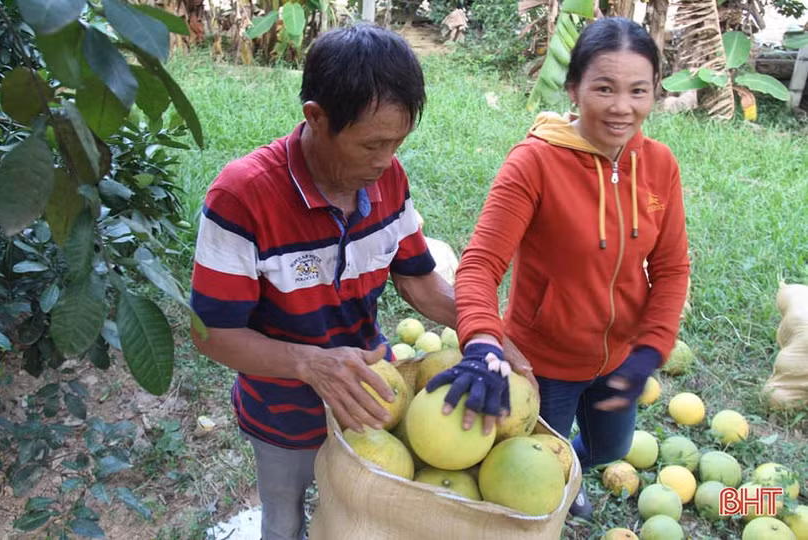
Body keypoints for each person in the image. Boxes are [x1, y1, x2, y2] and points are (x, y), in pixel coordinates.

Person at [189, 24, 530, 540]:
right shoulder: (242, 198)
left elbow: (419, 282)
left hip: (376, 402)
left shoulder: (387, 179)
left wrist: (488, 333)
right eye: (372, 144)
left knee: (363, 523)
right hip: (283, 413)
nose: (385, 160)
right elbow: (211, 332)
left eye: (397, 142)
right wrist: (310, 363)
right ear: (316, 118)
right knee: (283, 516)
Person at [427, 17, 690, 521]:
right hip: (542, 362)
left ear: (654, 91)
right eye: (604, 88)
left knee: (612, 449)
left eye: (639, 90)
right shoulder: (534, 163)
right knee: (529, 473)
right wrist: (482, 341)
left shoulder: (660, 165)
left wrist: (651, 348)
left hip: (619, 359)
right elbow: (481, 264)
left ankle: (573, 469)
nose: (622, 107)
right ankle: (560, 484)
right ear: (573, 88)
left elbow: (673, 267)